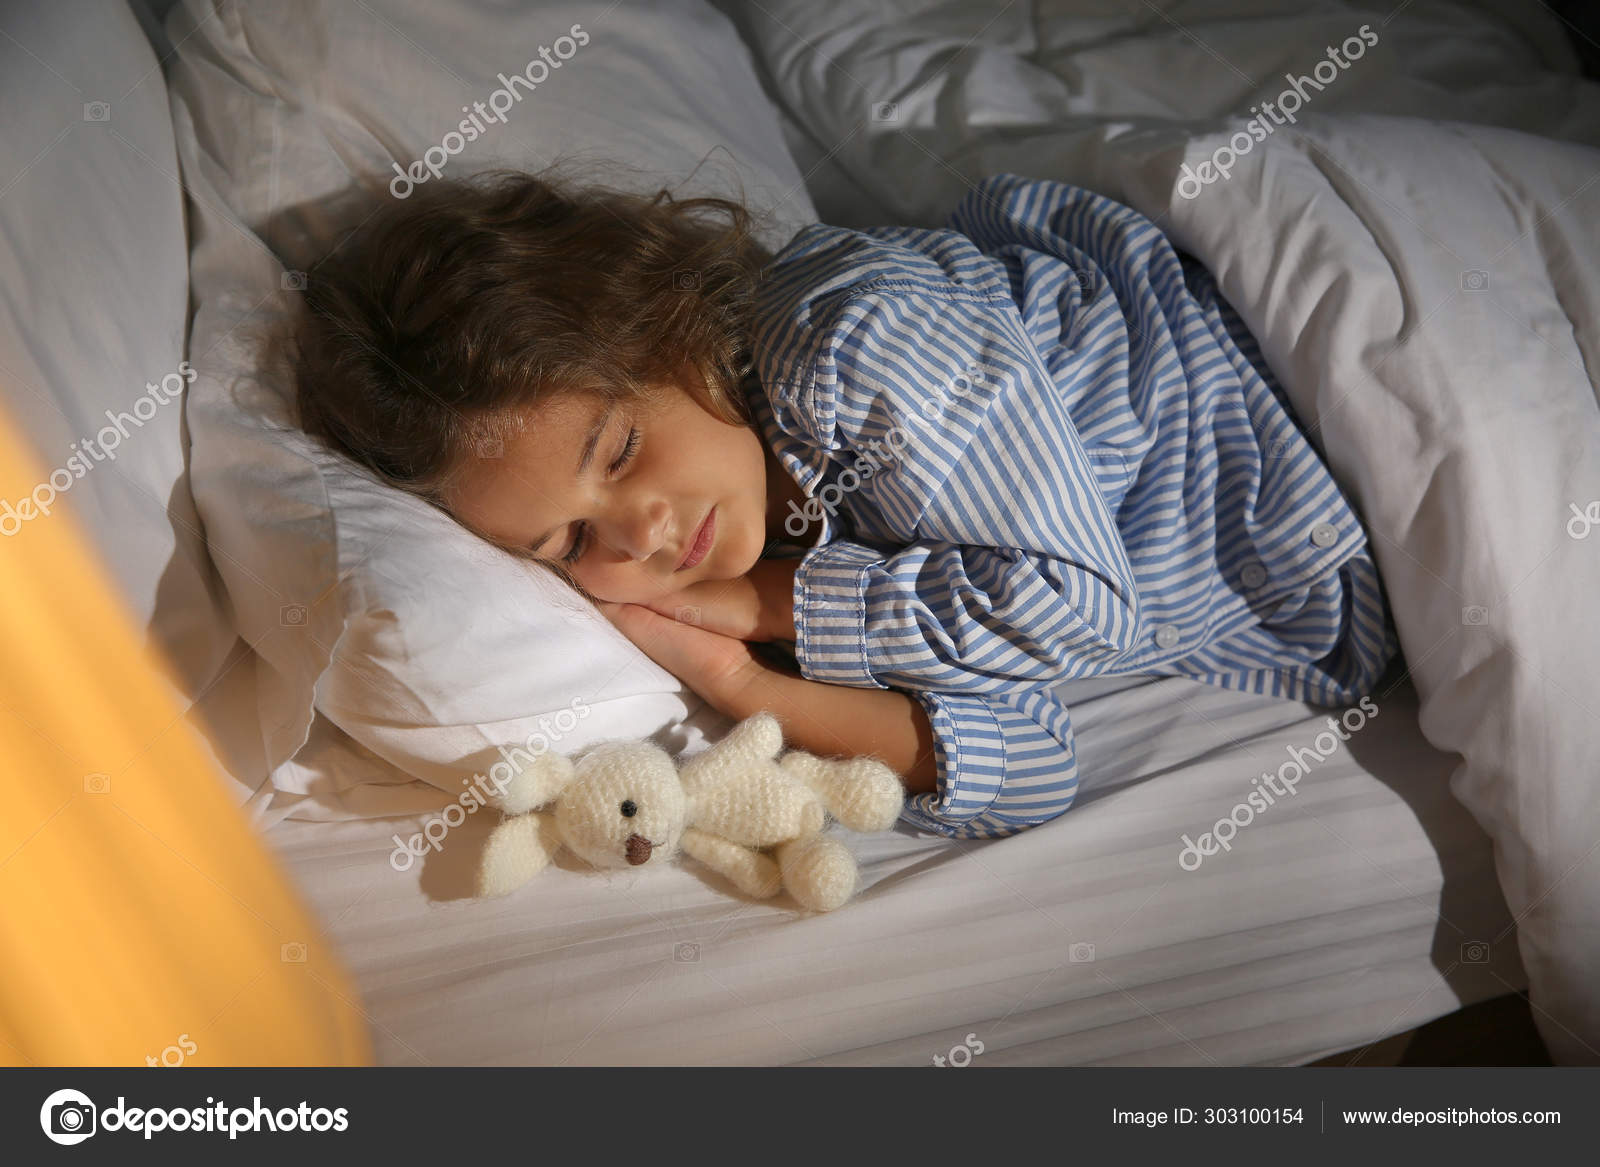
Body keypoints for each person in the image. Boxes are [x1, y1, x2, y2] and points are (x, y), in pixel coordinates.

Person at [290, 168, 1396, 839]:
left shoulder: (841, 341)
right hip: (1337, 606)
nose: (638, 534)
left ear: (666, 327)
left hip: (1319, 413)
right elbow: (1030, 766)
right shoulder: (786, 572)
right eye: (571, 539)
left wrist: (776, 608)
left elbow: (1077, 613)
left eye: (620, 450)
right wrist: (732, 676)